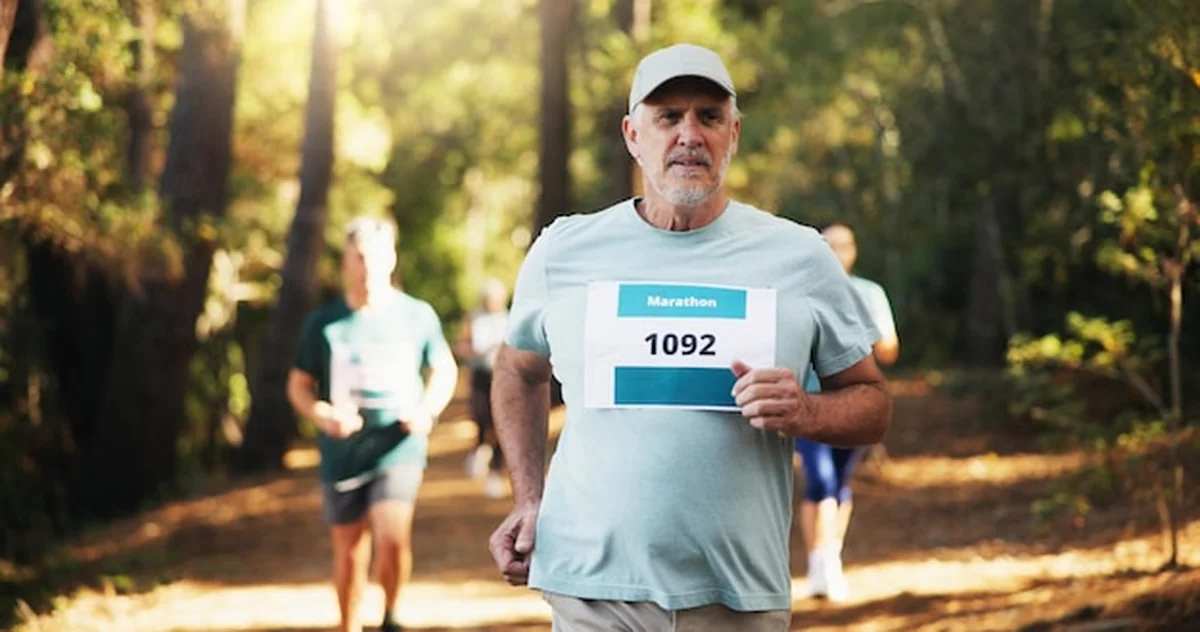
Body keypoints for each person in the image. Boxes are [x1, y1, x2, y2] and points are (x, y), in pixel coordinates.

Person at [486, 43, 892, 631]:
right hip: (593, 592)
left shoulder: (799, 256)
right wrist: (528, 496)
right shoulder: (564, 251)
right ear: (633, 134)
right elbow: (518, 370)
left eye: (708, 116)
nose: (689, 135)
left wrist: (805, 409)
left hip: (736, 597)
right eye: (668, 117)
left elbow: (873, 405)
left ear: (735, 134)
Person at [287, 215, 458, 632]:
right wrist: (321, 414)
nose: (368, 267)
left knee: (392, 537)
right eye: (359, 258)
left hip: (398, 447)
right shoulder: (323, 324)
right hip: (343, 453)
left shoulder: (417, 316)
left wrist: (426, 411)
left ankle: (391, 616)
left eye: (376, 257)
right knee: (348, 551)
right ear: (346, 262)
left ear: (392, 258)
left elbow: (444, 370)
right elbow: (299, 385)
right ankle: (349, 625)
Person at [794, 221, 900, 602]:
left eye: (844, 245)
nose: (838, 252)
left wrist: (861, 337)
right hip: (808, 404)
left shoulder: (869, 294)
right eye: (830, 245)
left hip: (853, 402)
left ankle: (830, 556)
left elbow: (889, 349)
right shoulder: (801, 290)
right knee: (819, 481)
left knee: (839, 484)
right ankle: (820, 565)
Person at [456, 277, 510, 498]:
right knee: (480, 416)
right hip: (480, 374)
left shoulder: (510, 319)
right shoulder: (474, 319)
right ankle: (479, 448)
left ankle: (496, 472)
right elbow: (461, 345)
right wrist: (475, 353)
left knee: (501, 424)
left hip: (502, 377)